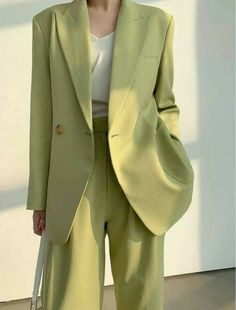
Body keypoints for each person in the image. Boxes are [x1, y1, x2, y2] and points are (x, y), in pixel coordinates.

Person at [26, 0, 194, 309]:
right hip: (74, 173)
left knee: (141, 295)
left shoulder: (158, 22)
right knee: (70, 296)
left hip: (140, 172)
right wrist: (39, 198)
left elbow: (165, 103)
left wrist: (170, 159)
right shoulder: (49, 23)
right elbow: (42, 115)